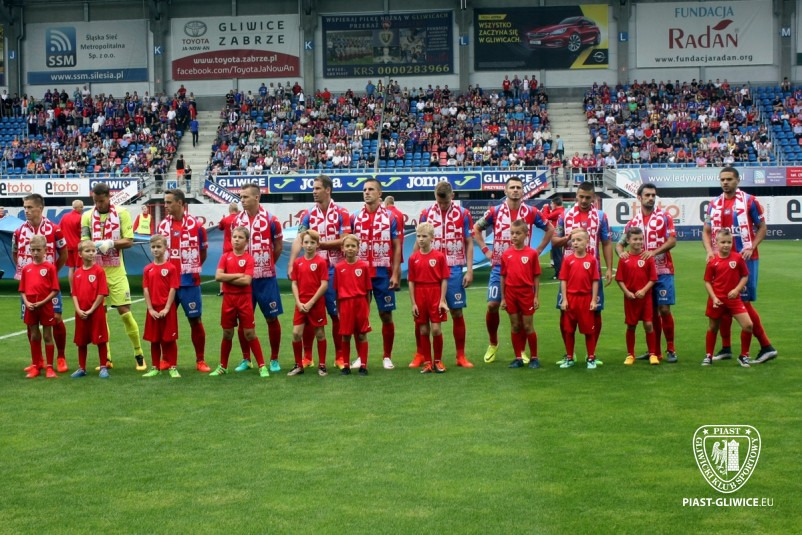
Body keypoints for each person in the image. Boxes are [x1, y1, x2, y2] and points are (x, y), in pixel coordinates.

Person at [473, 176, 554, 364]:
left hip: (523, 269)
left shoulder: (532, 212)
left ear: (523, 191)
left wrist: (538, 250)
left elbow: (550, 229)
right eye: (512, 187)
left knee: (521, 314)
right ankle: (493, 343)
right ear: (506, 191)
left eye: (519, 187)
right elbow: (476, 228)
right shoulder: (494, 212)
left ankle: (522, 352)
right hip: (499, 266)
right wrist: (486, 251)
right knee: (492, 305)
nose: (516, 190)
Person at [702, 166, 777, 364]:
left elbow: (762, 228)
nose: (725, 182)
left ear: (737, 180)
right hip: (720, 261)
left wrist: (751, 246)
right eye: (722, 179)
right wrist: (709, 251)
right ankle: (726, 348)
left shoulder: (750, 201)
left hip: (745, 259)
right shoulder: (713, 204)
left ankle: (766, 346)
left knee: (743, 302)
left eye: (729, 179)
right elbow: (706, 231)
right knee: (722, 300)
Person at [82, 182, 146, 371]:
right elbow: (84, 242)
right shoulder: (86, 216)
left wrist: (110, 243)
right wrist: (93, 246)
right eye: (95, 201)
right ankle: (107, 358)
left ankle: (139, 354)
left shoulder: (122, 213)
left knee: (125, 312)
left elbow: (129, 241)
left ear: (109, 197)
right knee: (100, 316)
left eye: (101, 201)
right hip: (96, 272)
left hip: (116, 271)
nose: (98, 204)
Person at [289, 175, 350, 369]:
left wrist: (320, 244)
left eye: (317, 188)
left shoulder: (341, 212)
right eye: (313, 188)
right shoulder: (307, 214)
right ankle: (307, 356)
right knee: (307, 312)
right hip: (311, 270)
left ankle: (339, 356)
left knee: (335, 313)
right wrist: (291, 263)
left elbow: (345, 240)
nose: (314, 191)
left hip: (335, 270)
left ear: (328, 190)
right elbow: (299, 239)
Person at [616, 183, 678, 362]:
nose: (651, 198)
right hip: (642, 276)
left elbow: (672, 241)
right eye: (647, 195)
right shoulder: (632, 223)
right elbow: (619, 244)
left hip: (663, 270)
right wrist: (622, 255)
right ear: (639, 197)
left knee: (664, 309)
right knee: (650, 314)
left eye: (653, 195)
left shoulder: (665, 217)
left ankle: (671, 349)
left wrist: (654, 252)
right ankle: (654, 351)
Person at [415, 180, 474, 368]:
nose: (441, 206)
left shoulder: (463, 214)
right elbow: (419, 242)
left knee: (457, 311)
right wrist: (414, 264)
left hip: (454, 268)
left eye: (445, 202)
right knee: (422, 314)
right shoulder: (426, 214)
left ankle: (460, 356)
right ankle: (420, 354)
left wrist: (469, 270)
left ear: (452, 197)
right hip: (429, 271)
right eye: (439, 202)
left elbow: (469, 242)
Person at [552, 181, 613, 364]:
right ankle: (569, 353)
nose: (584, 200)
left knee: (596, 311)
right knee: (564, 311)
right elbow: (555, 241)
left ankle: (591, 353)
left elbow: (606, 242)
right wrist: (568, 238)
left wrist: (609, 268)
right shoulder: (565, 215)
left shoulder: (601, 216)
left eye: (588, 197)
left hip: (592, 273)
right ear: (576, 196)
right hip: (570, 273)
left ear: (593, 197)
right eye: (581, 197)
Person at [349, 178, 402, 370]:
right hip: (360, 273)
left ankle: (387, 356)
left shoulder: (391, 217)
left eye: (371, 189)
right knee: (359, 317)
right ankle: (359, 357)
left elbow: (397, 247)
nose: (367, 192)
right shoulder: (354, 217)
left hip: (382, 272)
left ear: (379, 194)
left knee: (385, 315)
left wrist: (395, 274)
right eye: (364, 189)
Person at [14, 193, 69, 373]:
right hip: (29, 286)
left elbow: (64, 253)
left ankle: (60, 357)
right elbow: (15, 253)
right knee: (30, 322)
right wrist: (27, 274)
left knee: (56, 318)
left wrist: (51, 273)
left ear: (40, 208)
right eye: (25, 207)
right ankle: (37, 361)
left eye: (30, 207)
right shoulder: (18, 231)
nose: (27, 211)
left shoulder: (55, 229)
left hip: (48, 285)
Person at [157, 189, 211, 373]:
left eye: (168, 202)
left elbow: (202, 253)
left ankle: (200, 360)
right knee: (165, 320)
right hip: (167, 283)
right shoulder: (162, 226)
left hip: (189, 282)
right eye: (165, 202)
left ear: (179, 203)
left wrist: (190, 269)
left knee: (195, 320)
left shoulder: (197, 226)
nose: (165, 205)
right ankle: (166, 359)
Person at [233, 183, 284, 372]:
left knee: (271, 318)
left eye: (245, 197)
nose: (242, 200)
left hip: (266, 279)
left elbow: (278, 247)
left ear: (257, 197)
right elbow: (233, 248)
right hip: (244, 280)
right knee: (243, 320)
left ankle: (274, 359)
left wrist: (267, 264)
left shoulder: (271, 220)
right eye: (241, 197)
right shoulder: (237, 221)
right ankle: (246, 359)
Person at [210, 226, 270, 377]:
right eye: (234, 237)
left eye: (240, 237)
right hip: (228, 299)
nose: (236, 240)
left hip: (244, 299)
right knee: (227, 333)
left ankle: (262, 366)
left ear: (246, 241)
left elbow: (246, 281)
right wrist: (238, 275)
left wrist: (227, 277)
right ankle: (223, 366)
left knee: (249, 333)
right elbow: (218, 277)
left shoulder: (249, 258)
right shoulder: (225, 257)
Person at [702, 228, 754, 367]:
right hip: (717, 300)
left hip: (733, 300)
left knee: (748, 325)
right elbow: (707, 281)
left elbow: (745, 276)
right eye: (723, 242)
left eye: (729, 242)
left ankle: (744, 356)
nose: (726, 245)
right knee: (713, 327)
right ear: (716, 243)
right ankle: (708, 355)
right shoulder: (712, 261)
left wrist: (737, 290)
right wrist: (714, 298)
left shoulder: (737, 258)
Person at [500, 220, 542, 369]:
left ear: (526, 234)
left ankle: (534, 357)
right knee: (515, 325)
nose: (514, 236)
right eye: (512, 233)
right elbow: (503, 276)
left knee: (528, 325)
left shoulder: (531, 253)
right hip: (511, 293)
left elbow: (536, 276)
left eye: (518, 233)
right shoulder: (506, 254)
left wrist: (536, 296)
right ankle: (518, 358)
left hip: (526, 293)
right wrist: (503, 298)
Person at [408, 222, 450, 374]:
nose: (421, 239)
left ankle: (438, 361)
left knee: (436, 329)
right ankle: (427, 363)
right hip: (420, 295)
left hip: (435, 293)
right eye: (418, 236)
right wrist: (413, 303)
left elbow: (444, 279)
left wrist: (442, 300)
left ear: (432, 238)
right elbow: (411, 282)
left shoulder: (439, 256)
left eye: (424, 236)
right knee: (424, 330)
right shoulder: (413, 258)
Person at [18, 236, 61, 378]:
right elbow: (22, 290)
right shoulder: (26, 269)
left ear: (45, 250)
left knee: (48, 335)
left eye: (38, 250)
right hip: (30, 306)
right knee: (34, 335)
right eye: (33, 250)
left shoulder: (50, 268)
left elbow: (55, 290)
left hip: (45, 306)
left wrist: (42, 302)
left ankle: (50, 368)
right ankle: (36, 366)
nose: (35, 253)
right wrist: (27, 303)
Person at [615, 227, 659, 365]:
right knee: (631, 325)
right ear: (628, 240)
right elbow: (619, 279)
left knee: (648, 324)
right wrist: (627, 292)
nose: (638, 242)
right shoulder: (624, 258)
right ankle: (630, 355)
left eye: (640, 239)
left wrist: (644, 291)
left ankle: (652, 354)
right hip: (630, 298)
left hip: (645, 298)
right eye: (635, 239)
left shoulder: (647, 257)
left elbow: (653, 279)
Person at [289, 230, 330, 377]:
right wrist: (298, 302)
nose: (309, 245)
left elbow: (324, 284)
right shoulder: (298, 262)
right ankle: (298, 365)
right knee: (296, 333)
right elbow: (294, 283)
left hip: (316, 303)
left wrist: (311, 302)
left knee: (320, 333)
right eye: (306, 242)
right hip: (301, 304)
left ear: (317, 244)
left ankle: (322, 365)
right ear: (302, 244)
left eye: (312, 242)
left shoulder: (321, 262)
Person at [558, 229, 600, 369]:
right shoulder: (567, 260)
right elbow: (563, 280)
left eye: (579, 240)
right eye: (573, 240)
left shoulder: (591, 260)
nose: (575, 243)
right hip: (571, 299)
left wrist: (593, 300)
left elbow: (595, 281)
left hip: (585, 299)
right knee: (569, 330)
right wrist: (564, 299)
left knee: (589, 331)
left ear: (587, 242)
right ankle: (570, 357)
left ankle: (591, 358)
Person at [70, 239, 111, 379]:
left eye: (93, 250)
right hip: (81, 313)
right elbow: (74, 294)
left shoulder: (99, 271)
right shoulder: (77, 273)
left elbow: (102, 293)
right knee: (81, 341)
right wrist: (78, 309)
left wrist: (91, 310)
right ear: (80, 254)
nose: (91, 253)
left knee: (101, 340)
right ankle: (82, 368)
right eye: (88, 251)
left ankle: (103, 367)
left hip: (96, 312)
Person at [141, 234, 181, 378]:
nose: (156, 249)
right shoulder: (148, 269)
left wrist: (167, 308)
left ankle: (173, 367)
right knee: (154, 339)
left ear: (165, 248)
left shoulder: (171, 268)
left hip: (167, 310)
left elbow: (173, 288)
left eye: (159, 246)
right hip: (153, 310)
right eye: (153, 247)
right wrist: (150, 309)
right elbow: (146, 289)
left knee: (170, 339)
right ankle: (155, 367)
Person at [335, 234, 372, 376]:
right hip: (345, 304)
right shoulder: (339, 267)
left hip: (360, 303)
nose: (350, 248)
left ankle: (363, 365)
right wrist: (339, 310)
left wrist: (367, 309)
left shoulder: (364, 266)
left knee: (362, 335)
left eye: (353, 246)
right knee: (345, 335)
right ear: (342, 248)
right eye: (347, 246)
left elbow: (368, 291)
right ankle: (346, 366)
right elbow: (337, 292)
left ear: (358, 248)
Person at [217, 202, 241, 296]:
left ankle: (222, 290)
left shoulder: (225, 219)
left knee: (224, 268)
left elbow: (220, 227)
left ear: (229, 210)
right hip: (238, 246)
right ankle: (238, 287)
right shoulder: (240, 219)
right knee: (239, 268)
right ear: (237, 210)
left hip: (227, 247)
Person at [60, 199, 84, 291]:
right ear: (77, 208)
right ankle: (79, 289)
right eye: (81, 207)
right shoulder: (80, 218)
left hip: (67, 246)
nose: (82, 208)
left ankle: (72, 289)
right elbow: (82, 233)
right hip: (77, 246)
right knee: (79, 268)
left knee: (71, 268)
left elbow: (59, 229)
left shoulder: (65, 216)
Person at [541, 197, 564, 280]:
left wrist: (545, 207)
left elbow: (545, 217)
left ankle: (559, 273)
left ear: (554, 204)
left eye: (551, 204)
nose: (551, 205)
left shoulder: (558, 211)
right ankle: (560, 272)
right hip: (557, 235)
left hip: (556, 236)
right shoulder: (561, 211)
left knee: (557, 255)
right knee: (557, 254)